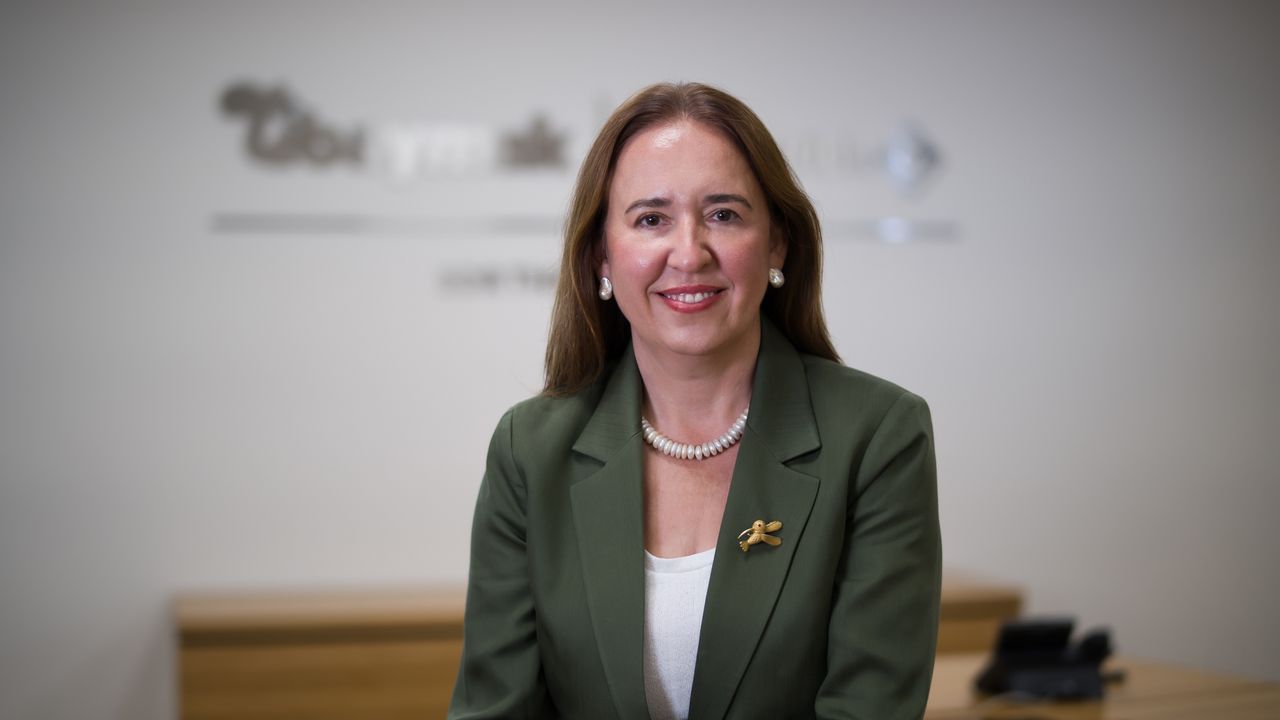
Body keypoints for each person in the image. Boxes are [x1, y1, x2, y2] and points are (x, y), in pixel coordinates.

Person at [449, 82, 941, 720]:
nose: (689, 253)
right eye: (651, 219)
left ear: (777, 242)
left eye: (723, 215)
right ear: (602, 254)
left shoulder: (878, 436)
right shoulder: (530, 450)